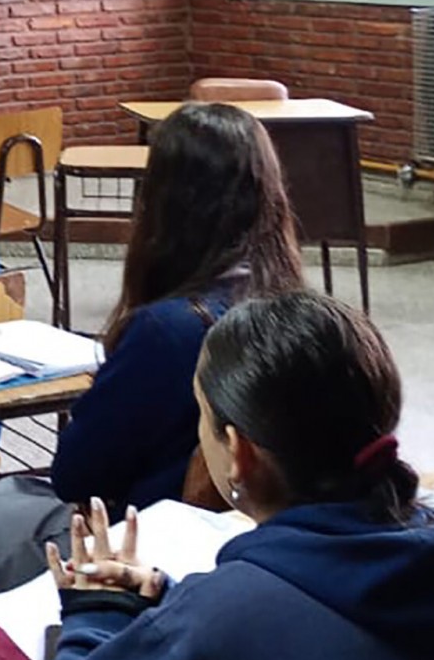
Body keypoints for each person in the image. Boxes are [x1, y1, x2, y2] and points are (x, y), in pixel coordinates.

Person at [43, 291, 434, 660]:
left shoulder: (215, 620)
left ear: (239, 451)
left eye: (202, 413)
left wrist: (94, 616)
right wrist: (171, 600)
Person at [50, 102, 303, 512]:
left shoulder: (167, 332)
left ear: (164, 202)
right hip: (252, 534)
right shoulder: (300, 314)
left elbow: (74, 476)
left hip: (146, 546)